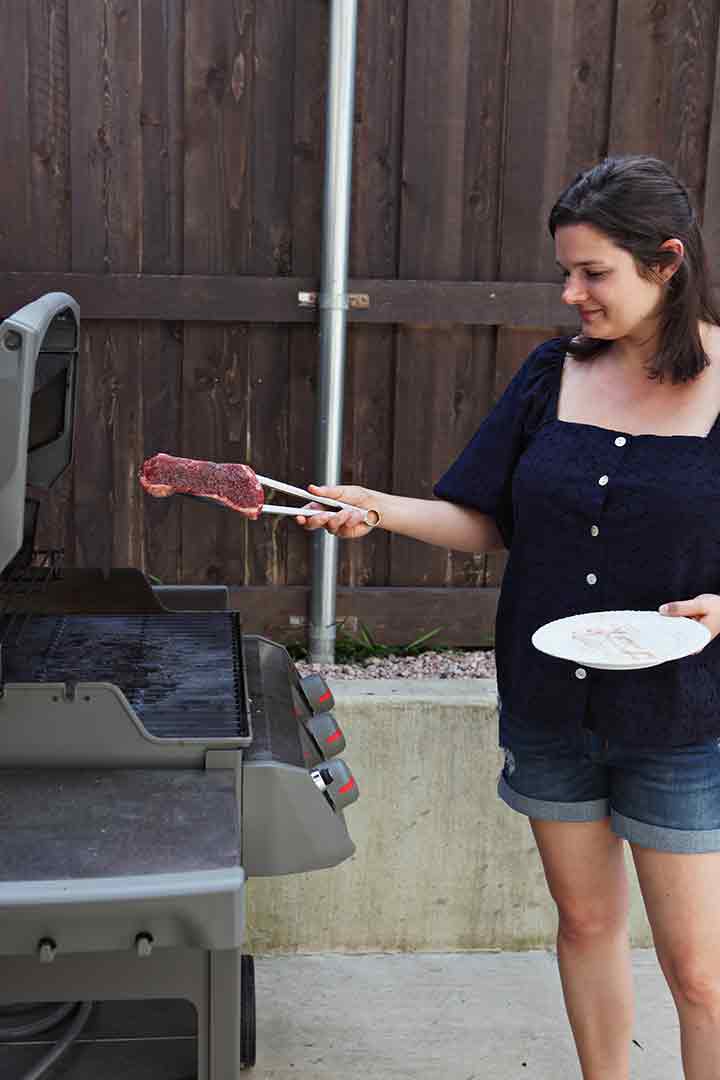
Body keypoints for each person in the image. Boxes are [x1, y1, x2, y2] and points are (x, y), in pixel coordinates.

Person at [296, 155, 720, 1079]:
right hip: (551, 704)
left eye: (593, 272)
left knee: (700, 972)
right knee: (585, 923)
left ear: (668, 263)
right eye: (565, 272)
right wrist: (378, 506)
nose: (571, 293)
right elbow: (487, 519)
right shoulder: (550, 374)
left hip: (686, 719)